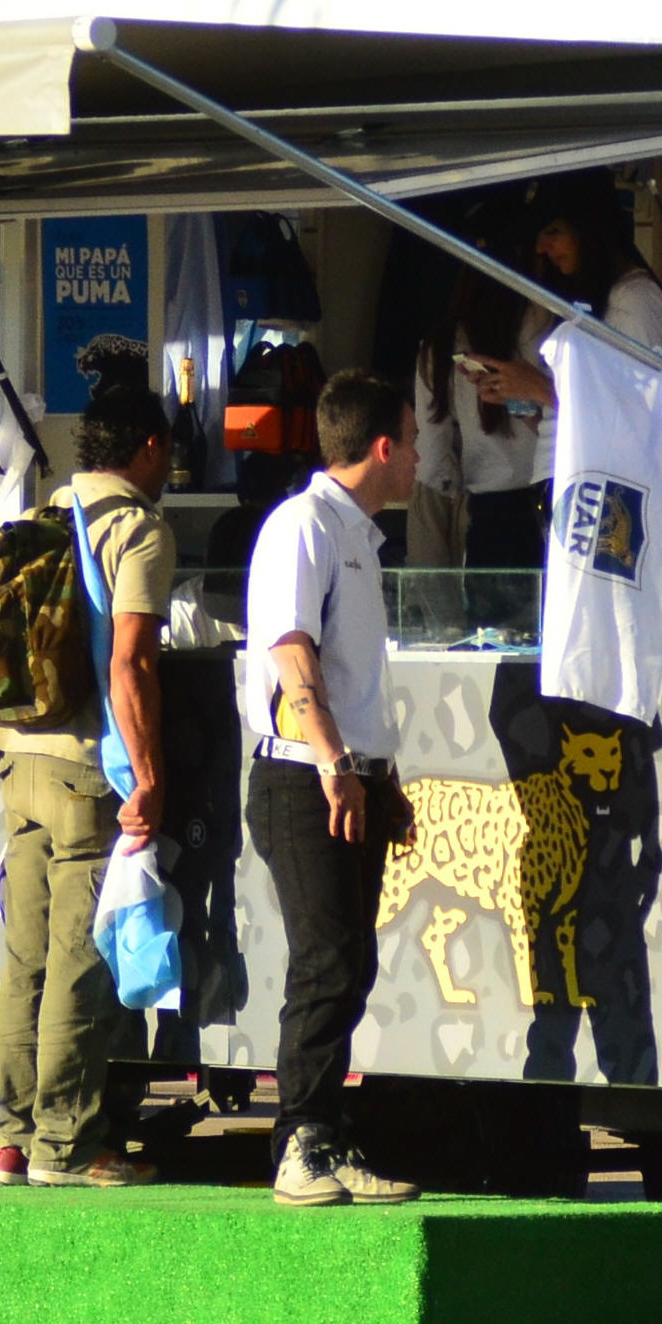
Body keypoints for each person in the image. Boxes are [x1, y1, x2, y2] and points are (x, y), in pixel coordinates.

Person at [0, 335, 173, 1189]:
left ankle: (9, 1141)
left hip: (16, 754)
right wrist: (151, 774)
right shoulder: (136, 529)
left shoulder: (44, 511)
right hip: (84, 770)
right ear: (149, 448)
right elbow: (130, 663)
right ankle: (64, 1146)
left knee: (23, 959)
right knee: (76, 960)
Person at [243, 367, 424, 1207]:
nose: (419, 458)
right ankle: (299, 1146)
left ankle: (326, 1135)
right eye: (412, 441)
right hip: (300, 774)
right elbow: (291, 653)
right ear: (382, 447)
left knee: (349, 961)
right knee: (323, 961)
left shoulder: (357, 535)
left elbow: (348, 678)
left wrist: (381, 776)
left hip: (347, 775)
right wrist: (334, 765)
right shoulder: (303, 524)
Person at [460, 186, 662, 483]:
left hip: (601, 490)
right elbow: (566, 424)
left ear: (589, 228)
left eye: (553, 231)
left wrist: (539, 387)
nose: (541, 247)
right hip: (565, 484)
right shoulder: (592, 301)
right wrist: (518, 396)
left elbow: (634, 414)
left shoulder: (635, 298)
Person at [417, 257, 550, 572]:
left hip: (484, 507)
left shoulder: (441, 346)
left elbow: (433, 452)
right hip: (544, 497)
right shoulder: (546, 330)